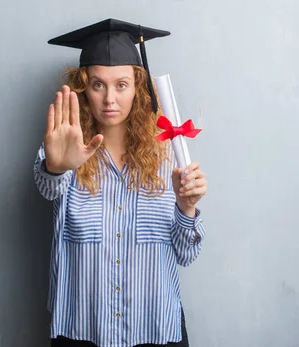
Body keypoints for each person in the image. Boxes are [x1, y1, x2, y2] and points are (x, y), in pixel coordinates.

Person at [33, 18, 208, 347]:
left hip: (154, 327)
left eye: (121, 85)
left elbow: (185, 254)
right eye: (98, 84)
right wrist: (56, 167)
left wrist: (187, 207)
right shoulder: (65, 145)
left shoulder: (169, 154)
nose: (109, 98)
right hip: (82, 328)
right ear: (85, 88)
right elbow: (47, 187)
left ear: (138, 87)